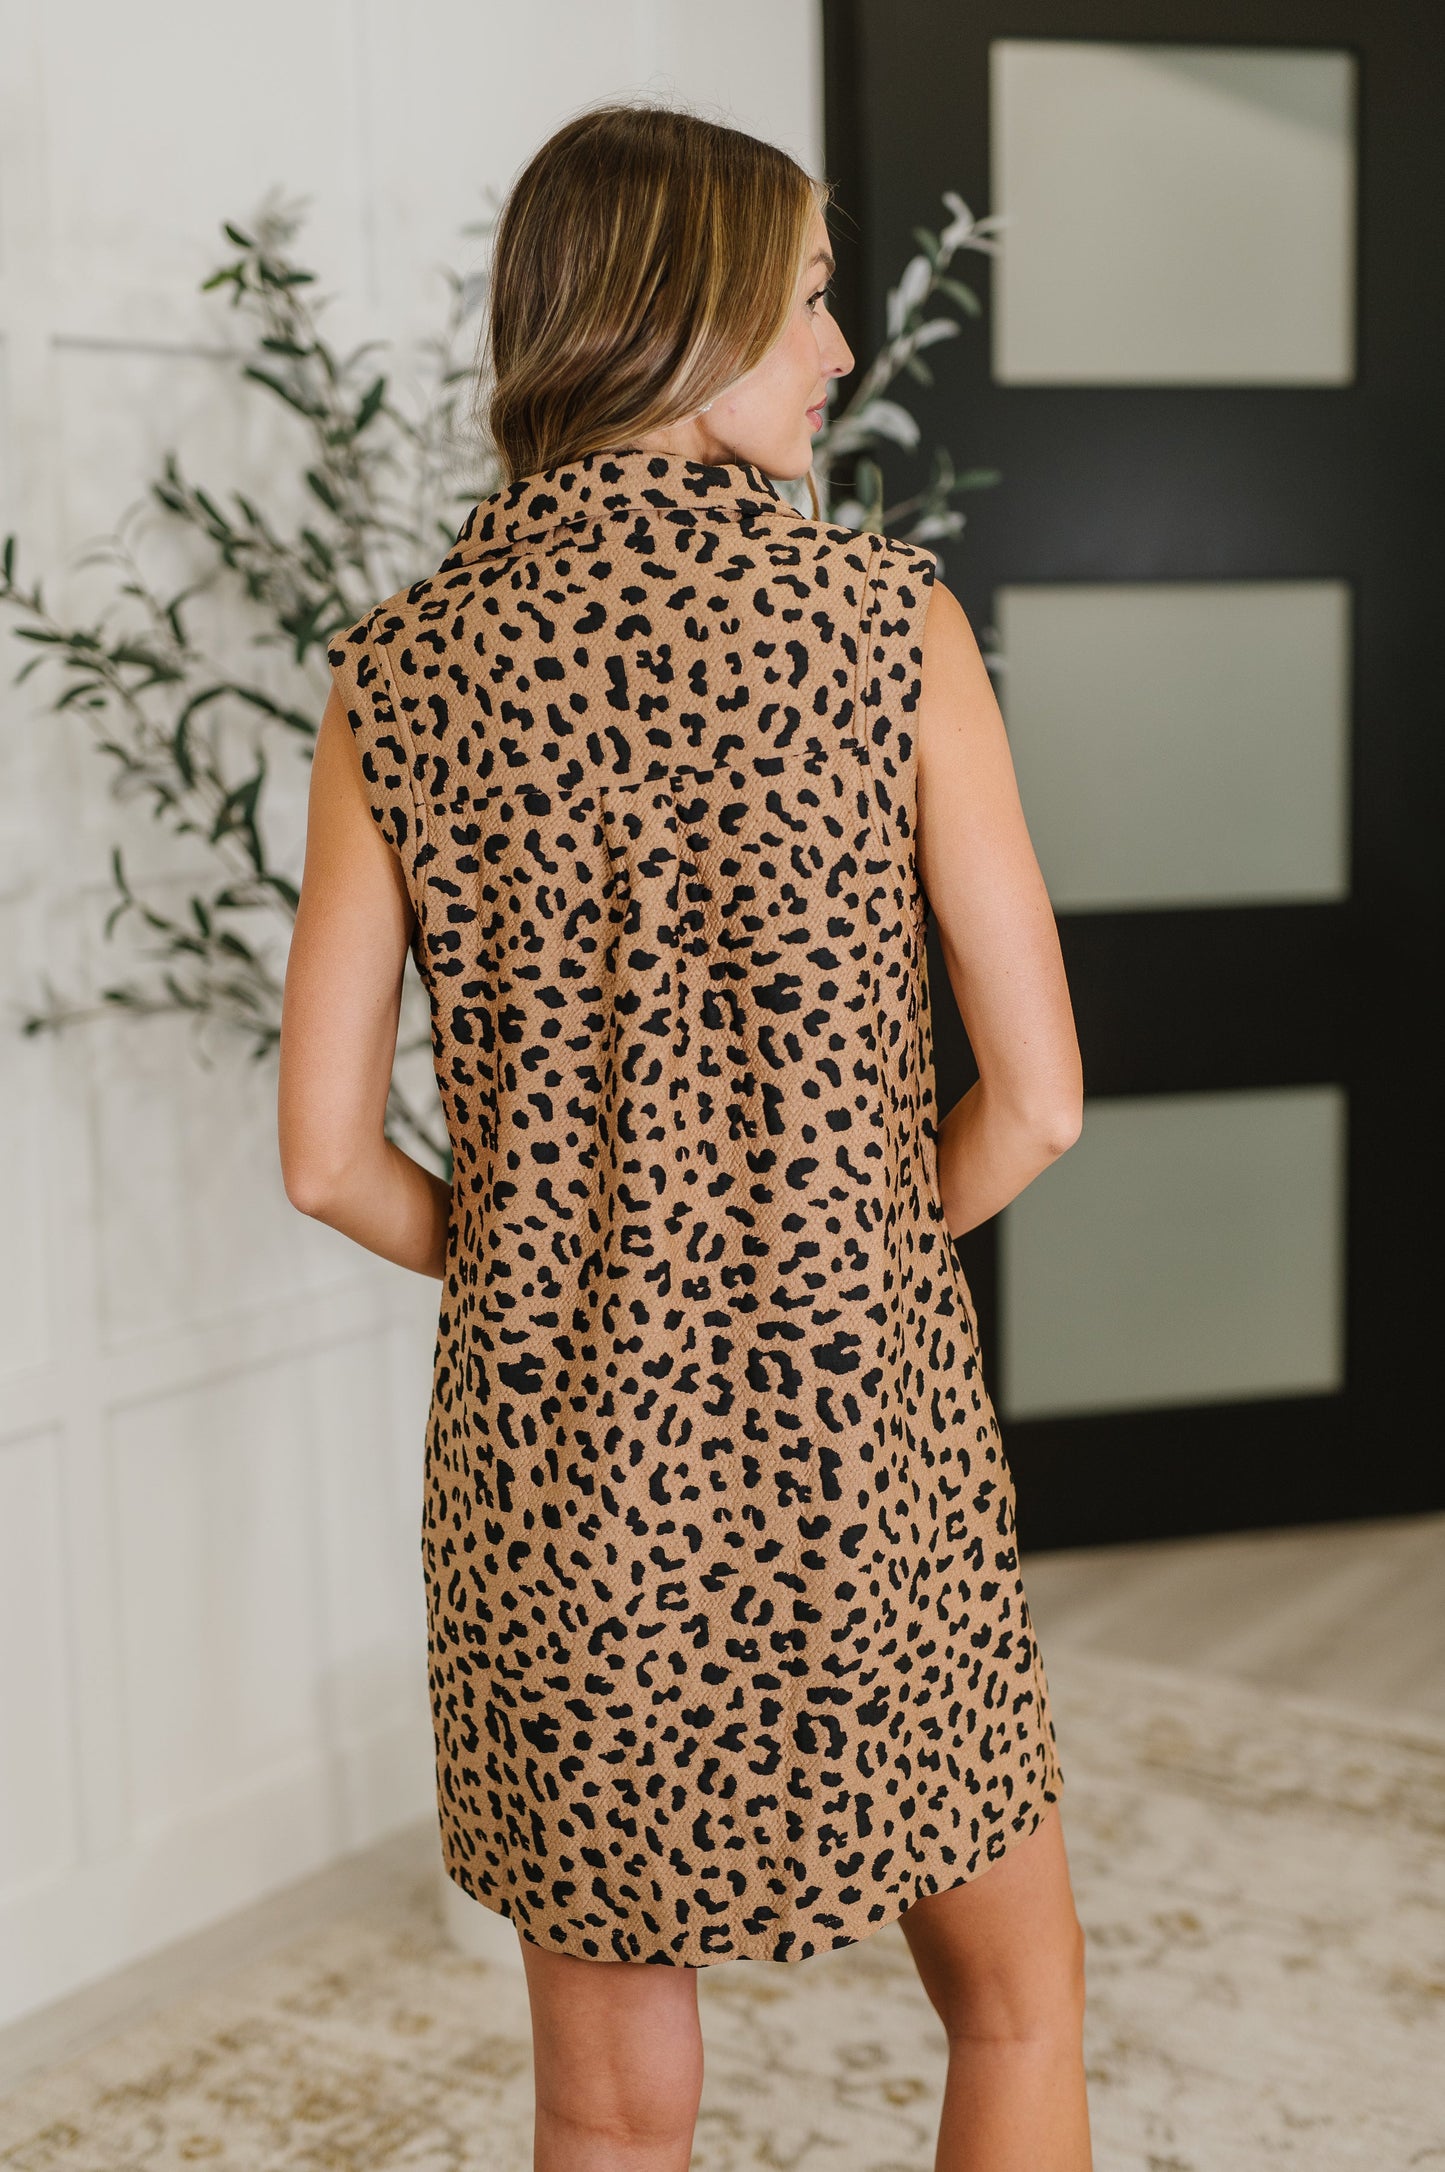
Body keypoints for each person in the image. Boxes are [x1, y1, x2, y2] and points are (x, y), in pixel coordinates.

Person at [278, 101, 1090, 2172]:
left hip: (558, 1470)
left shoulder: (398, 674)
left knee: (611, 2111)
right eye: (807, 296)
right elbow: (1039, 1098)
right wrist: (836, 1258)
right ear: (681, 314)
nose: (840, 348)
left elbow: (326, 1157)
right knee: (1014, 2011)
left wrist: (563, 1265)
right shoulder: (882, 623)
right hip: (859, 1433)